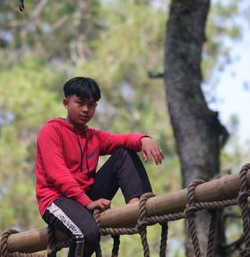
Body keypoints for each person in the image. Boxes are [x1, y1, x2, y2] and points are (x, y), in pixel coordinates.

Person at [35, 76, 164, 257]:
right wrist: (87, 202)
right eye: (80, 103)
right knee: (85, 234)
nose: (86, 109)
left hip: (86, 197)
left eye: (92, 105)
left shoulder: (93, 136)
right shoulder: (51, 131)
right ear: (66, 102)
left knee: (124, 153)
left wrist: (144, 139)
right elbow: (58, 175)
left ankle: (136, 205)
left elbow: (123, 140)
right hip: (57, 199)